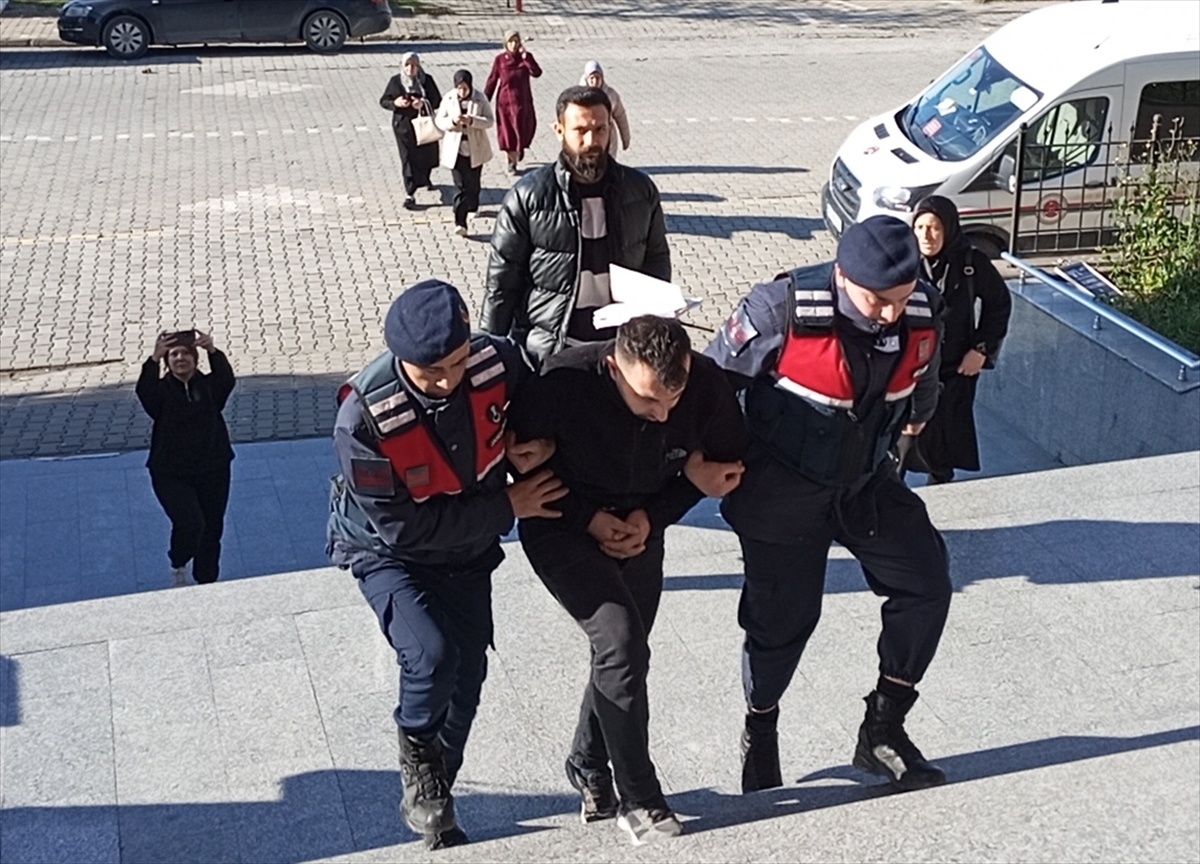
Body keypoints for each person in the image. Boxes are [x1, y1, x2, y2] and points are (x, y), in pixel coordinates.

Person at [704, 216, 954, 795]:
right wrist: (709, 463)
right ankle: (760, 728)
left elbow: (925, 374)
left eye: (901, 297)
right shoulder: (779, 310)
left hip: (865, 480)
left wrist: (918, 413)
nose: (890, 312)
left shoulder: (920, 308)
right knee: (785, 622)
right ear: (842, 276)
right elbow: (713, 385)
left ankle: (883, 729)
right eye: (876, 300)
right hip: (782, 488)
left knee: (927, 581)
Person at [326, 279, 564, 850]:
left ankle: (437, 782)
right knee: (430, 655)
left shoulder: (496, 359)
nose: (446, 381)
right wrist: (508, 503)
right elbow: (403, 526)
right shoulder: (362, 421)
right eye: (429, 371)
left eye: (456, 364)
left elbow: (540, 403)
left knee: (470, 673)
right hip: (390, 553)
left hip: (467, 549)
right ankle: (416, 751)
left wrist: (536, 441)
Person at [508, 315, 747, 845]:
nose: (663, 414)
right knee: (619, 641)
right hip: (562, 524)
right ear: (613, 366)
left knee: (626, 652)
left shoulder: (705, 386)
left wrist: (655, 516)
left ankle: (588, 765)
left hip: (642, 524)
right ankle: (640, 799)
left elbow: (724, 464)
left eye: (673, 399)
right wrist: (588, 519)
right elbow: (520, 471)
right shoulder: (561, 382)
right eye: (647, 402)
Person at [482, 85, 670, 364]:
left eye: (601, 129)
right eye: (580, 130)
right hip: (552, 352)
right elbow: (501, 284)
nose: (592, 140)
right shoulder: (528, 196)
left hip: (622, 352)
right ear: (559, 130)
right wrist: (490, 354)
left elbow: (656, 263)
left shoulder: (640, 192)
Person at [900, 195, 1012, 484]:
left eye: (935, 227)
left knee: (944, 443)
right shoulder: (903, 261)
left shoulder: (970, 262)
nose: (927, 235)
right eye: (920, 227)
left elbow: (999, 304)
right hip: (907, 369)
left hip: (954, 371)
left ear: (949, 228)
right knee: (898, 441)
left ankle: (941, 496)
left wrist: (981, 350)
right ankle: (888, 501)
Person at [135, 329, 235, 587]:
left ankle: (207, 581)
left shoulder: (210, 387)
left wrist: (212, 350)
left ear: (195, 358)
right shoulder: (161, 393)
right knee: (191, 523)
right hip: (171, 473)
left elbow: (226, 379)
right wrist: (153, 360)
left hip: (213, 469)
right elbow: (145, 391)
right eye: (174, 354)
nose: (180, 358)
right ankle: (178, 562)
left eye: (186, 354)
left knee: (212, 529)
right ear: (167, 362)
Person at [434, 69, 495, 238]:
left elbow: (490, 121)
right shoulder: (449, 98)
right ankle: (460, 222)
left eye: (465, 88)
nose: (462, 91)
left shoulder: (480, 98)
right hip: (456, 149)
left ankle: (473, 205)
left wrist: (472, 121)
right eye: (459, 87)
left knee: (473, 185)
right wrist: (453, 122)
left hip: (475, 148)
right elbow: (439, 120)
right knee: (460, 187)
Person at [381, 53, 442, 210]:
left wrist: (423, 103)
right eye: (407, 64)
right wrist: (396, 103)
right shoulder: (396, 81)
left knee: (426, 155)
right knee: (407, 158)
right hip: (403, 127)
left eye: (414, 65)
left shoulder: (426, 80)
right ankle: (410, 193)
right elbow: (384, 101)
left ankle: (425, 177)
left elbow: (437, 100)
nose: (411, 68)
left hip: (423, 124)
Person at [484, 29, 542, 176]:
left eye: (516, 41)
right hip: (505, 105)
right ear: (506, 43)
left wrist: (526, 56)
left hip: (523, 103)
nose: (514, 44)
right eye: (511, 41)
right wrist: (484, 100)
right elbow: (492, 80)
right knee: (507, 134)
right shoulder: (500, 60)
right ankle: (511, 161)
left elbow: (536, 72)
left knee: (524, 130)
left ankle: (519, 148)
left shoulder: (525, 58)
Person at [579, 60, 631, 157]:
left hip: (608, 137)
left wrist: (626, 139)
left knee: (608, 165)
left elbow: (620, 116)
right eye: (592, 78)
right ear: (586, 79)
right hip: (587, 137)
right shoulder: (578, 96)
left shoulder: (611, 95)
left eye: (598, 78)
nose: (595, 81)